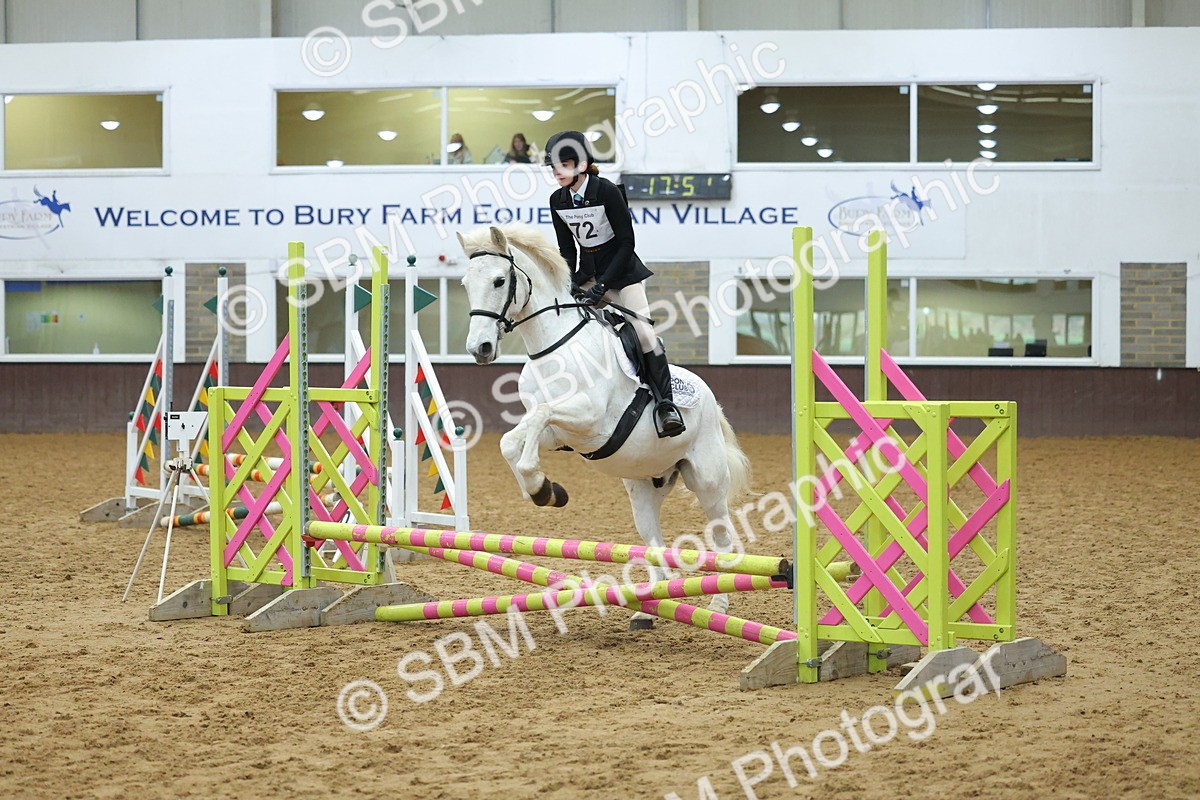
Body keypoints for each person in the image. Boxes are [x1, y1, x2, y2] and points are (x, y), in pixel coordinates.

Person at [544, 130, 684, 437]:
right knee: (564, 324)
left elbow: (626, 243)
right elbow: (568, 249)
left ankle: (666, 407)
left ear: (581, 164)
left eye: (563, 165)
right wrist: (568, 283)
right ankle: (569, 406)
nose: (556, 172)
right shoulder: (557, 200)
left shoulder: (606, 190)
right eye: (553, 166)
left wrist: (604, 284)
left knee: (645, 334)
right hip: (589, 274)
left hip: (622, 274)